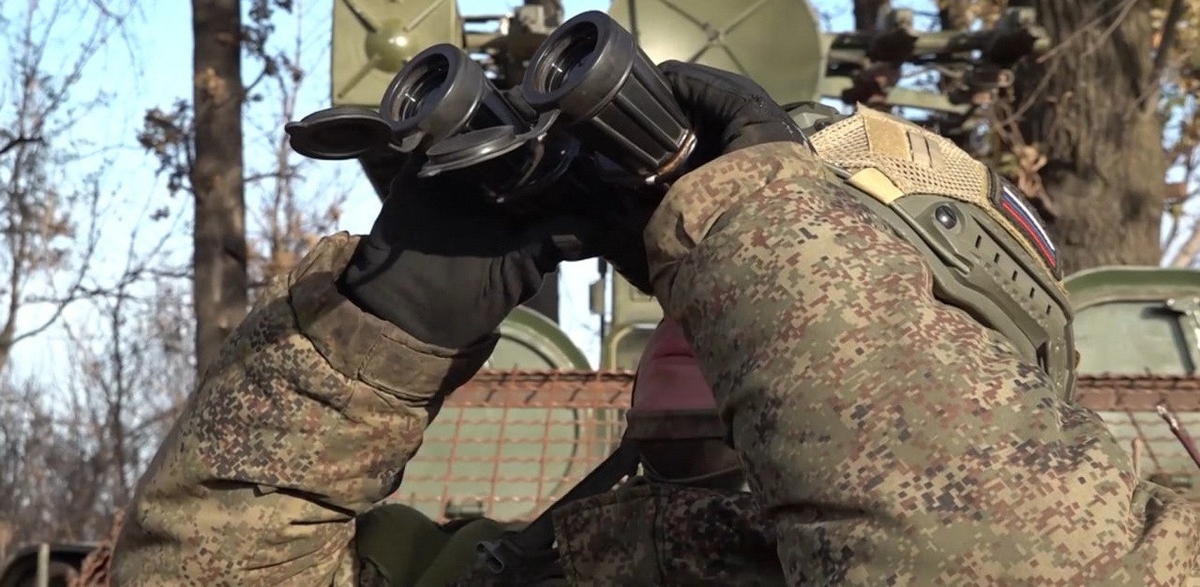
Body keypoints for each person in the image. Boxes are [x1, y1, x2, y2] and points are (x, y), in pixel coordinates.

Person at [110, 61, 1199, 586]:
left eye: (779, 268)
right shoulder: (501, 567)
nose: (698, 290)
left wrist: (762, 231)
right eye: (699, 258)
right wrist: (376, 333)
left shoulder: (1155, 547)